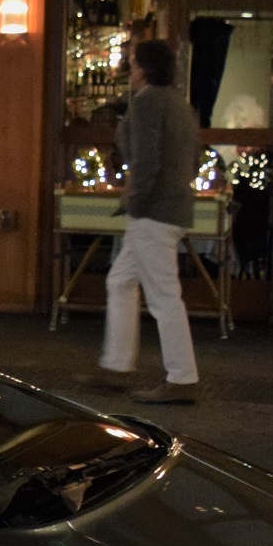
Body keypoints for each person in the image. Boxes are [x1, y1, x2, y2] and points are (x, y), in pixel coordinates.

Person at [89, 38, 201, 404]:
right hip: (168, 208)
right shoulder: (177, 103)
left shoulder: (149, 103)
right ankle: (116, 365)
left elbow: (147, 160)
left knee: (163, 296)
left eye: (134, 63)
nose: (130, 69)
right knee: (120, 282)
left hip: (153, 211)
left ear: (143, 68)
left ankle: (182, 377)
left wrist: (135, 202)